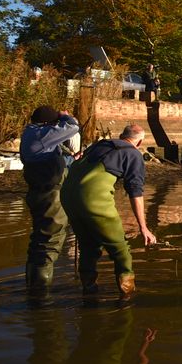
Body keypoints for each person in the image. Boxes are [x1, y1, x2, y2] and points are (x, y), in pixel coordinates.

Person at [60, 124, 156, 297]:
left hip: (67, 195)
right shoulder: (133, 153)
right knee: (121, 250)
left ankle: (89, 291)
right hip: (92, 198)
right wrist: (143, 227)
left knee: (88, 246)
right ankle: (127, 296)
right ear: (140, 142)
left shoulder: (101, 144)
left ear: (121, 136)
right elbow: (135, 192)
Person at [19, 105, 80, 291]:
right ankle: (40, 292)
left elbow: (49, 155)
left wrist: (71, 159)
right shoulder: (41, 134)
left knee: (38, 240)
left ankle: (32, 287)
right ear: (47, 123)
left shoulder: (31, 133)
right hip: (50, 196)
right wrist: (64, 117)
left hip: (38, 193)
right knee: (50, 241)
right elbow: (73, 127)